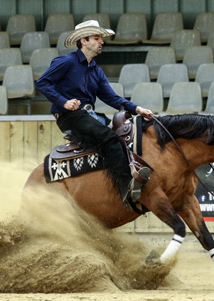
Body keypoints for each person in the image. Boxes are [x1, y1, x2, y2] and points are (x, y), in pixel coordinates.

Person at [35, 20, 153, 205]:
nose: (102, 42)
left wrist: (137, 109)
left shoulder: (96, 71)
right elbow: (42, 83)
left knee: (123, 135)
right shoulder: (65, 62)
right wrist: (64, 102)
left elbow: (111, 98)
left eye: (100, 38)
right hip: (69, 117)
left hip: (89, 117)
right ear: (84, 40)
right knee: (109, 137)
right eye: (97, 38)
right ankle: (125, 187)